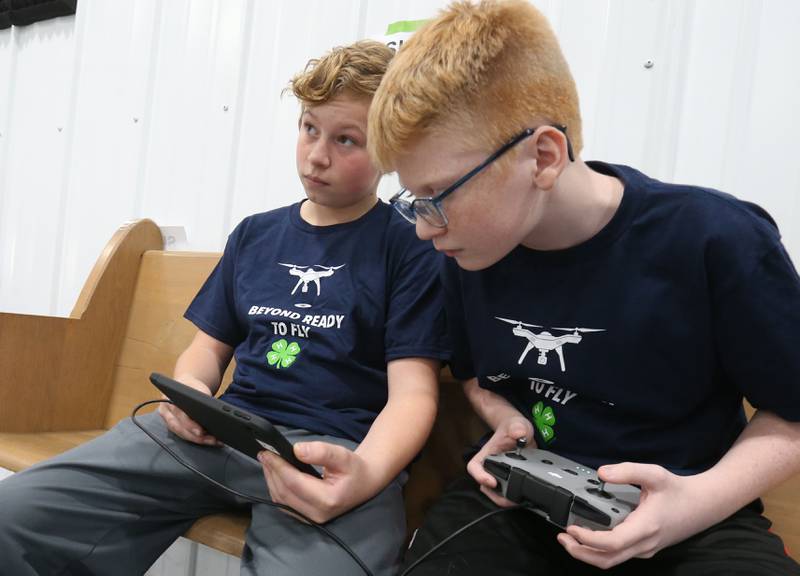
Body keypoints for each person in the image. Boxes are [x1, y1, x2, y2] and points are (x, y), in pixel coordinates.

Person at [367, 1, 800, 574]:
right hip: (520, 503)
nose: (424, 229)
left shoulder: (715, 239)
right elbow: (474, 374)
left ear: (544, 157)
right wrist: (504, 418)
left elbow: (792, 413)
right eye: (413, 200)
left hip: (690, 515)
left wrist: (693, 505)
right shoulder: (466, 251)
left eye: (439, 196)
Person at [0, 39, 449, 576]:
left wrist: (367, 473)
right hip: (223, 436)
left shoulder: (410, 246)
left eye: (346, 140)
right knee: (13, 515)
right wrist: (190, 394)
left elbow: (413, 395)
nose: (317, 155)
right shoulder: (256, 235)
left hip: (326, 457)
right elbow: (206, 353)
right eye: (309, 129)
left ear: (389, 151)